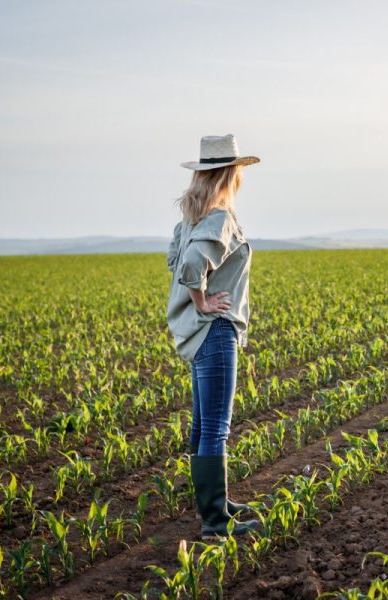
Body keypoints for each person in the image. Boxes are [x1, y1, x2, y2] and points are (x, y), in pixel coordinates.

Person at [166, 134, 260, 539]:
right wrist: (203, 301)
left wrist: (195, 299)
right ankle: (215, 522)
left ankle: (215, 504)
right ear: (230, 175)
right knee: (216, 426)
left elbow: (175, 259)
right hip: (215, 331)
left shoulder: (190, 219)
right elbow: (189, 265)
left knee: (204, 423)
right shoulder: (219, 218)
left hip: (195, 332)